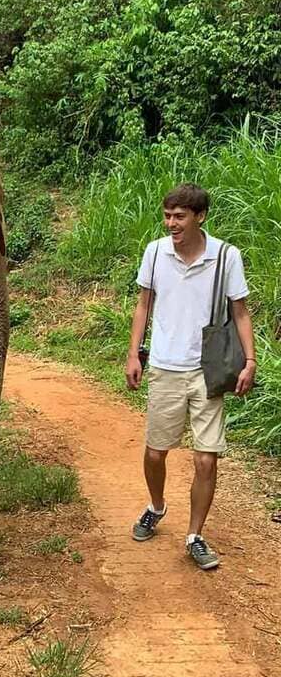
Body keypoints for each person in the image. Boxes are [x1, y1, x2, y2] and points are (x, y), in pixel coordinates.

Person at [124, 184, 255, 570]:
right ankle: (157, 506)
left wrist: (250, 360)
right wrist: (134, 353)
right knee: (155, 452)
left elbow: (241, 311)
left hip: (208, 371)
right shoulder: (155, 252)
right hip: (165, 366)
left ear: (200, 217)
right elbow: (143, 303)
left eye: (179, 216)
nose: (171, 224)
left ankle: (195, 535)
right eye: (167, 216)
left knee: (205, 460)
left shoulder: (226, 257)